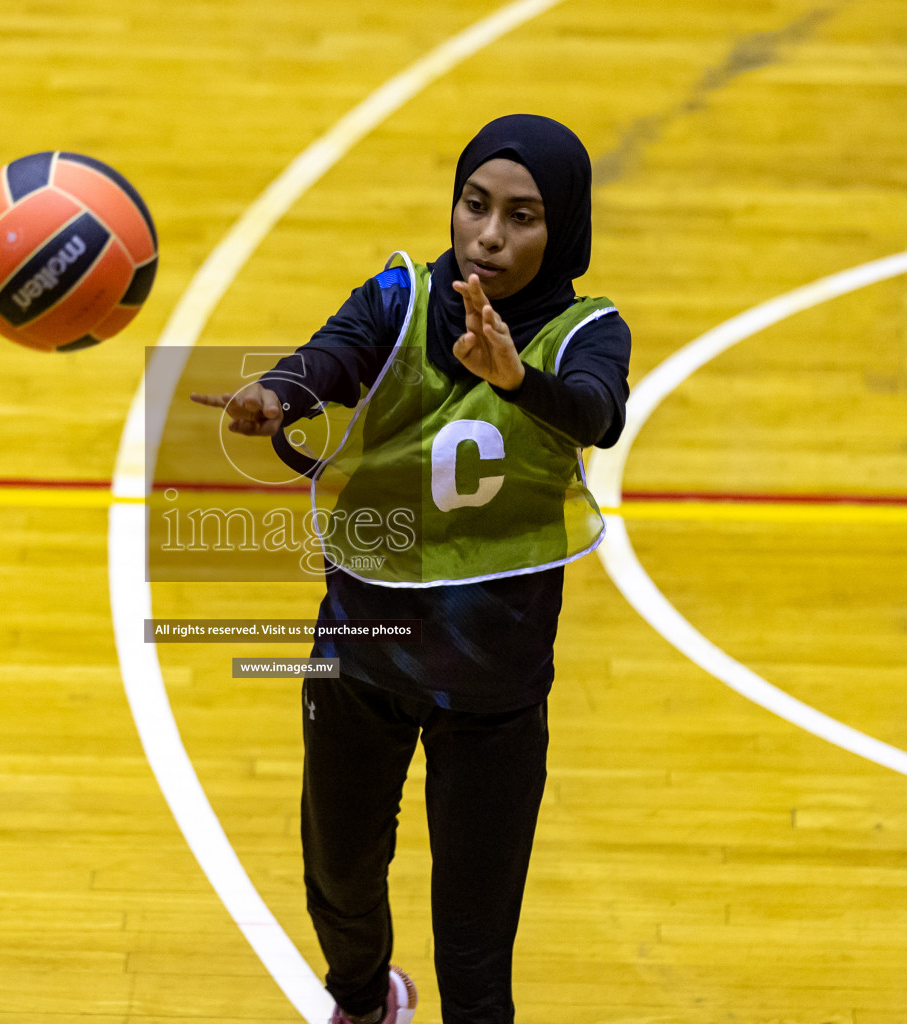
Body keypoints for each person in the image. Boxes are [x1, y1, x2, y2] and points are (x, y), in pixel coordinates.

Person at [190, 115, 631, 1024]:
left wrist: (517, 382)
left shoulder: (588, 331)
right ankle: (364, 997)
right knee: (338, 881)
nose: (491, 235)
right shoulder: (401, 293)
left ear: (565, 231)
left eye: (523, 216)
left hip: (494, 689)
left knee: (475, 956)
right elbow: (336, 352)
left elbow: (598, 414)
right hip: (363, 655)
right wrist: (278, 392)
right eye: (476, 206)